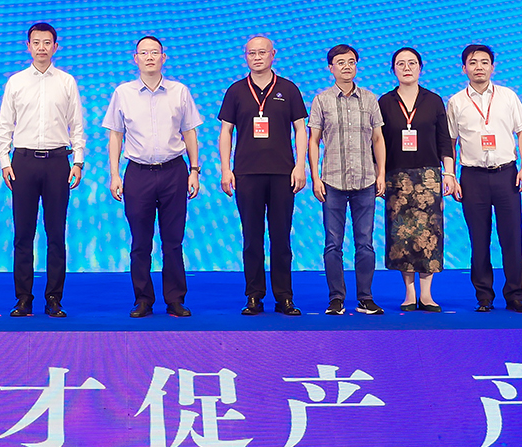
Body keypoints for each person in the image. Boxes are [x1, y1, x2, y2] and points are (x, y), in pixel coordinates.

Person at [104, 34, 203, 318]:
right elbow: (116, 135)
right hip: (138, 174)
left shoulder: (179, 91)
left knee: (173, 241)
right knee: (140, 242)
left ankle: (175, 299)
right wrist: (114, 174)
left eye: (154, 52)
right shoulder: (123, 93)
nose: (149, 57)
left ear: (163, 57)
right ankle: (143, 299)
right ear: (135, 59)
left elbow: (189, 132)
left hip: (174, 171)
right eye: (144, 53)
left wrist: (194, 170)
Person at [0, 21, 85, 318]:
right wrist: (5, 162)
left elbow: (77, 125)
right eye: (36, 42)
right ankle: (23, 299)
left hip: (58, 162)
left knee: (56, 234)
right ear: (28, 46)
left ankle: (54, 299)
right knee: (23, 234)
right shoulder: (16, 82)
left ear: (55, 47)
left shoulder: (67, 82)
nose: (42, 48)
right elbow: (5, 126)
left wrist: (78, 161)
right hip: (23, 162)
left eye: (47, 43)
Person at [217, 35, 310, 317]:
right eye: (252, 53)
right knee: (252, 239)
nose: (257, 57)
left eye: (262, 52)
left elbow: (301, 129)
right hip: (247, 173)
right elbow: (226, 132)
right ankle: (254, 296)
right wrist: (225, 169)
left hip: (283, 173)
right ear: (245, 56)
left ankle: (284, 298)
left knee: (281, 239)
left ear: (273, 54)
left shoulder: (288, 89)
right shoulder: (236, 91)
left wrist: (300, 166)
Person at [448, 43, 522, 314]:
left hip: (506, 175)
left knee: (511, 238)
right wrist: (451, 176)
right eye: (473, 63)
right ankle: (484, 297)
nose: (479, 68)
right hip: (472, 177)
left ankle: (515, 296)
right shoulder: (456, 102)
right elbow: (450, 142)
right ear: (464, 68)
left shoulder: (508, 96)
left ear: (492, 67)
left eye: (484, 62)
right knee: (479, 240)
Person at [309, 43, 387, 316]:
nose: (346, 66)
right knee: (333, 244)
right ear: (330, 68)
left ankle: (365, 298)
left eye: (351, 61)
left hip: (365, 180)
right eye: (340, 62)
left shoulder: (370, 99)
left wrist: (381, 173)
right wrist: (315, 177)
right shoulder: (321, 100)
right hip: (332, 181)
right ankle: (336, 299)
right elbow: (314, 141)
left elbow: (378, 139)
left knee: (365, 243)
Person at [379, 46, 454, 312]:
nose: (407, 68)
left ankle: (427, 295)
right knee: (402, 237)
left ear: (420, 68)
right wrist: (379, 174)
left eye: (412, 63)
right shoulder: (385, 102)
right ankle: (410, 294)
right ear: (393, 70)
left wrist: (449, 173)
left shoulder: (433, 100)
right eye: (401, 63)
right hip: (396, 178)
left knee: (429, 236)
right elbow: (378, 142)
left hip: (428, 177)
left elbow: (444, 141)